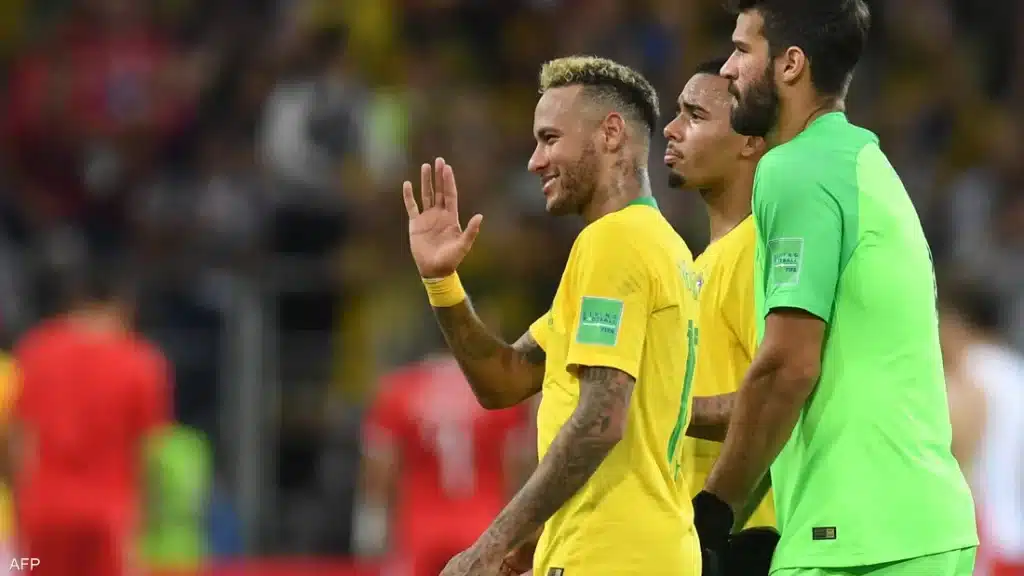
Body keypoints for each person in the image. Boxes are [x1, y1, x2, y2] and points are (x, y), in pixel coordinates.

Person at [690, 1, 980, 575]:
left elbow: (787, 367)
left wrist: (712, 511)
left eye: (742, 50)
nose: (726, 68)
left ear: (791, 64)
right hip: (922, 529)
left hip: (855, 541)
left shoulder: (795, 168)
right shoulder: (864, 162)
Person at [401, 56, 702, 575]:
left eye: (550, 139)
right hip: (647, 549)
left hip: (610, 557)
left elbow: (600, 419)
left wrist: (491, 543)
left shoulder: (614, 242)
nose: (535, 161)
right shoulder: (662, 245)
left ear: (611, 134)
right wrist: (442, 281)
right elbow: (505, 380)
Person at [663, 57, 775, 531]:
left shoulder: (760, 251)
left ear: (750, 140)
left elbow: (780, 397)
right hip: (700, 534)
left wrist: (657, 404)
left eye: (694, 115)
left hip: (752, 537)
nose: (670, 129)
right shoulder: (700, 265)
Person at [11, 256, 171, 576]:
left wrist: (22, 505)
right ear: (124, 307)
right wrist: (145, 526)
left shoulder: (36, 350)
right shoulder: (141, 361)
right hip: (108, 514)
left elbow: (21, 440)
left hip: (44, 510)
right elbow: (149, 450)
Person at [354, 352, 532, 576]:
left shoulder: (400, 388)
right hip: (483, 522)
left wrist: (372, 519)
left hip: (419, 525)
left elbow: (382, 464)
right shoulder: (499, 389)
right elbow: (516, 465)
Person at [939, 277, 1024, 576]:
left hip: (984, 534)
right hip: (1015, 531)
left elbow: (955, 454)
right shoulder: (1015, 371)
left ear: (954, 321)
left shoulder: (969, 373)